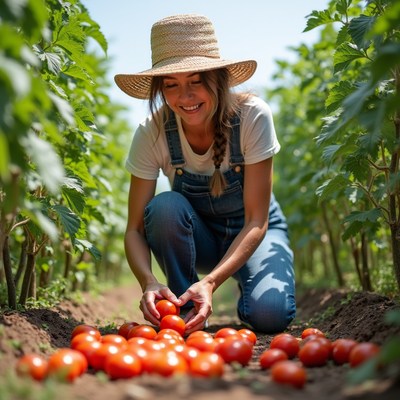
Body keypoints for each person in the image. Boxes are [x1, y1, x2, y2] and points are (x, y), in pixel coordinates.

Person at [114, 14, 295, 334]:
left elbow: (257, 220)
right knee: (164, 206)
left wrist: (211, 281)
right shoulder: (152, 132)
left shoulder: (253, 116)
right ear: (160, 89)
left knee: (270, 315)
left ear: (218, 79)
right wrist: (148, 281)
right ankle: (186, 307)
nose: (185, 96)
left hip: (255, 233)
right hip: (199, 239)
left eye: (196, 80)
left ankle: (245, 290)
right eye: (171, 85)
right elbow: (134, 230)